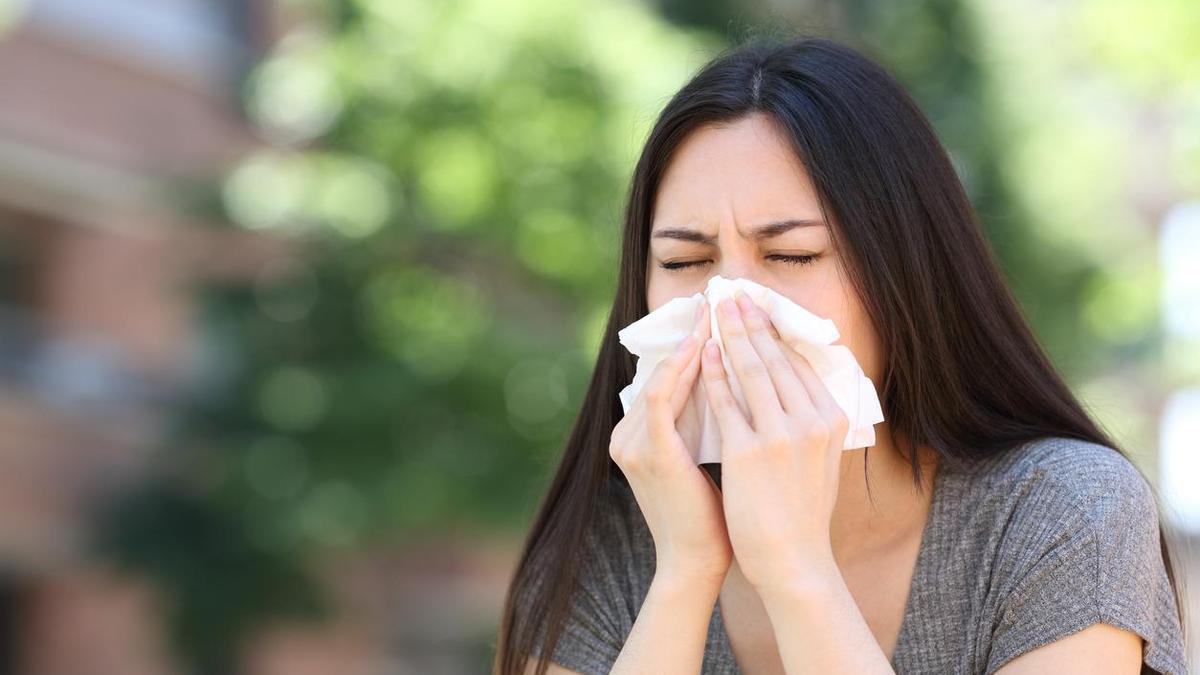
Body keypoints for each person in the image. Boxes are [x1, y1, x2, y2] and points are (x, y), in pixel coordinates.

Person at [492, 35, 1189, 675]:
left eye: (791, 253)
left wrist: (797, 570)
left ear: (902, 274)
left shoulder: (1060, 511)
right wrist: (685, 570)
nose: (732, 304)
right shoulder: (611, 537)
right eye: (686, 259)